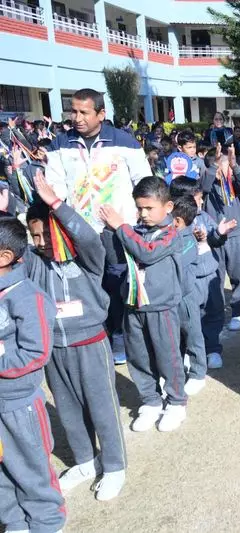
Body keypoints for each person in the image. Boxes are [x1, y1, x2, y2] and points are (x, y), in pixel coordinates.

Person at [22, 174, 128, 501]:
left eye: (45, 235)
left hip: (90, 344)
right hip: (54, 348)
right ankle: (85, 460)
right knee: (68, 410)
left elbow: (87, 238)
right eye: (34, 236)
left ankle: (114, 466)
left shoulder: (88, 259)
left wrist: (56, 204)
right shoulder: (34, 261)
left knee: (102, 407)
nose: (40, 242)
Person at [44, 88, 152, 367]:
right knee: (88, 286)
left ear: (101, 114)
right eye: (73, 112)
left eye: (84, 112)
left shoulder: (125, 143)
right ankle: (98, 336)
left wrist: (138, 221)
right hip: (79, 233)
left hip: (116, 230)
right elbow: (54, 187)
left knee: (118, 285)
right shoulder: (60, 145)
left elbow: (144, 182)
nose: (76, 118)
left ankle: (120, 337)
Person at [98, 177, 187, 433]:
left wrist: (120, 226)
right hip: (133, 305)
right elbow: (116, 257)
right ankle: (150, 400)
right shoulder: (134, 230)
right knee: (138, 356)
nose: (143, 213)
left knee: (167, 356)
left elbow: (147, 251)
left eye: (149, 208)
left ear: (168, 207)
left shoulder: (171, 234)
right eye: (139, 208)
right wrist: (109, 229)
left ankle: (176, 402)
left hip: (161, 307)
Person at [0, 216, 63, 533]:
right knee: (2, 473)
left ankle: (47, 523)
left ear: (4, 257)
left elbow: (35, 353)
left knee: (32, 468)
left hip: (20, 405)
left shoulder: (27, 296)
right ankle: (15, 521)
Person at [169, 177, 233, 375]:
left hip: (209, 273)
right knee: (191, 317)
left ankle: (213, 349)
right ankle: (190, 351)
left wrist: (220, 233)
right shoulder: (174, 223)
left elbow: (214, 240)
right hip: (191, 278)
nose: (201, 202)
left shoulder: (203, 216)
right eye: (197, 199)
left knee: (214, 312)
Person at [202, 144, 240, 340]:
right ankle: (218, 314)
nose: (225, 170)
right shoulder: (206, 186)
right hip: (214, 237)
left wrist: (234, 165)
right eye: (221, 166)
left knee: (238, 274)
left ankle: (238, 312)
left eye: (227, 166)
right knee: (217, 278)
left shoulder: (233, 183)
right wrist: (215, 165)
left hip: (235, 235)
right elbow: (203, 186)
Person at [171, 195, 209, 397]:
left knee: (193, 334)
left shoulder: (187, 241)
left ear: (177, 221)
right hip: (172, 297)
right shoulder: (177, 237)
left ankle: (197, 372)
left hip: (186, 296)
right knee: (176, 336)